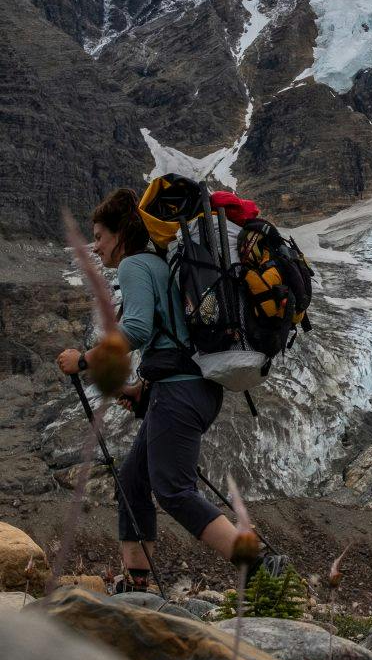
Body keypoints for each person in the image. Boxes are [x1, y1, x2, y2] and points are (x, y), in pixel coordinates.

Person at [56, 187, 263, 590]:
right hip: (188, 388)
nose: (95, 247)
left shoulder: (135, 264)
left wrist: (82, 360)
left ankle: (256, 565)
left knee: (173, 489)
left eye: (99, 236)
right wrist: (143, 387)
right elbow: (174, 336)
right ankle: (137, 582)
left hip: (180, 391)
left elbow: (136, 329)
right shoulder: (157, 263)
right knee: (133, 479)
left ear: (120, 233)